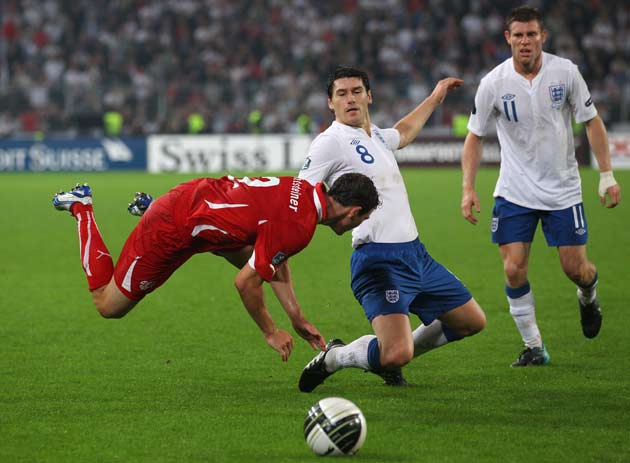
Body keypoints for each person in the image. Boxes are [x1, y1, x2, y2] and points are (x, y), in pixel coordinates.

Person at [297, 66, 487, 392]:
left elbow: (405, 131)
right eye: (341, 94)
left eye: (356, 91)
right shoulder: (330, 142)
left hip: (415, 253)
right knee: (398, 353)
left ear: (369, 96)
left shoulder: (377, 137)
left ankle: (389, 355)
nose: (350, 99)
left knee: (471, 321)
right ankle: (336, 357)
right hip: (377, 260)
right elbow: (301, 196)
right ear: (330, 103)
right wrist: (333, 222)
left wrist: (435, 96)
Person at [52, 173, 380, 362]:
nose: (357, 225)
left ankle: (156, 209)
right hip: (173, 228)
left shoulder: (305, 189)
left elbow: (275, 255)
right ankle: (83, 207)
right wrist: (271, 330)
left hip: (197, 201)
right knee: (108, 304)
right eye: (362, 218)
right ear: (352, 211)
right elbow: (245, 284)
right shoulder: (301, 226)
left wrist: (296, 317)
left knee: (253, 254)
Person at [460, 6, 621, 367]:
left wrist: (607, 174)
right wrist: (468, 188)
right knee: (513, 268)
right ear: (508, 39)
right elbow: (474, 137)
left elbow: (591, 122)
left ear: (542, 37)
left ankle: (588, 294)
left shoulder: (565, 72)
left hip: (562, 189)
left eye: (532, 34)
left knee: (575, 268)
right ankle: (534, 347)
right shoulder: (494, 83)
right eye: (518, 35)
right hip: (514, 191)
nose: (525, 41)